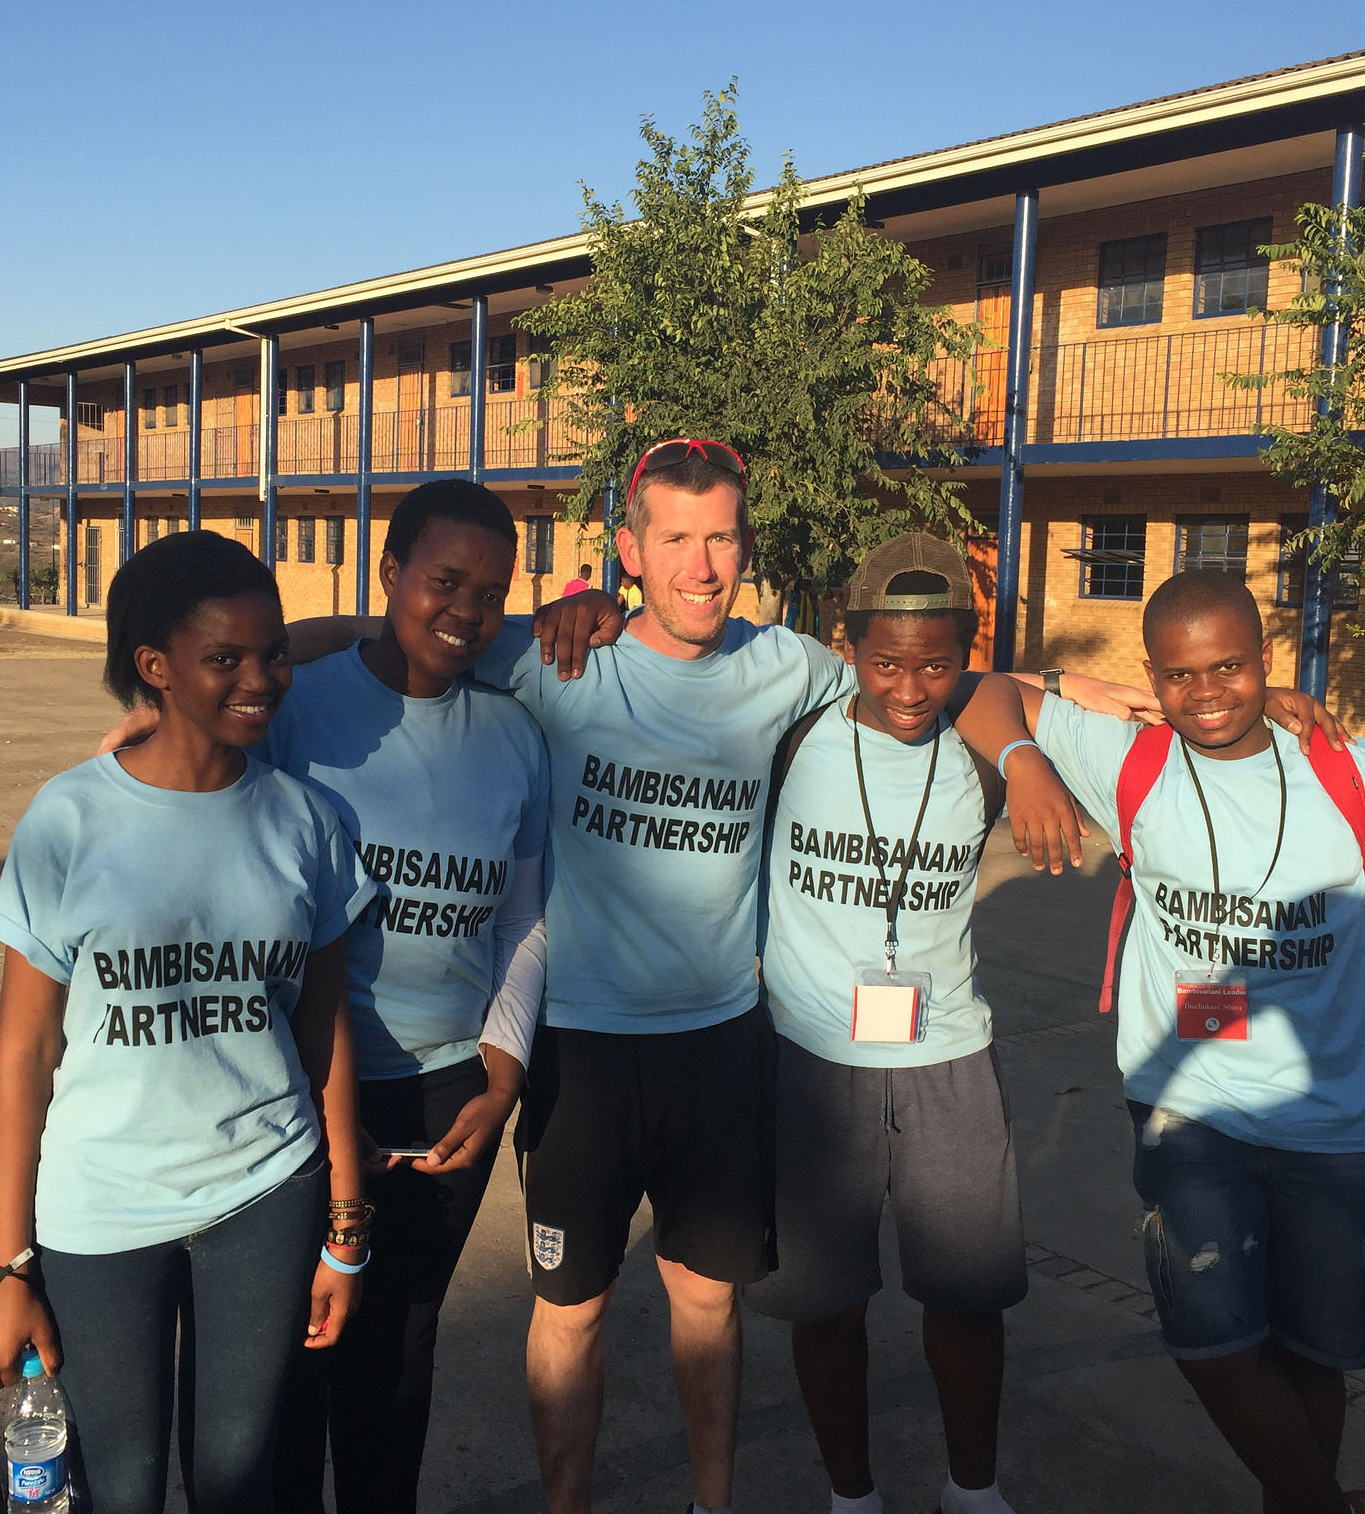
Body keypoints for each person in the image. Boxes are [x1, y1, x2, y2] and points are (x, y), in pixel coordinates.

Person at [288, 440, 1093, 1514]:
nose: (701, 566)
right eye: (674, 539)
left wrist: (1061, 733)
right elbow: (368, 638)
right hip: (578, 1047)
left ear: (745, 546)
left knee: (705, 1305)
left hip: (720, 1041)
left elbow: (969, 675)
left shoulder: (788, 668)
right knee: (568, 1311)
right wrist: (211, 682)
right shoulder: (551, 656)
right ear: (629, 551)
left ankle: (709, 1503)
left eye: (720, 538)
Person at [971, 570, 1365, 1514]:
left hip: (1342, 1123)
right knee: (1210, 1339)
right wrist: (1026, 756)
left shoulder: (1351, 770)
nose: (1206, 694)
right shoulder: (1127, 759)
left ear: (1266, 662)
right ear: (1151, 676)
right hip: (1191, 1109)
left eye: (1230, 668)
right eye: (1180, 675)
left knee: (1312, 1352)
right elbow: (977, 687)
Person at [0, 531, 374, 1514]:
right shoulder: (68, 820)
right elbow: (23, 1056)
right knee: (120, 1488)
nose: (263, 679)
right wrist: (4, 1267)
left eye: (273, 652)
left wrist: (346, 1228)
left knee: (241, 1482)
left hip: (264, 1192)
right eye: (225, 659)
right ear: (154, 667)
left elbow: (322, 1035)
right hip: (98, 1208)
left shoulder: (309, 822)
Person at [265, 480, 550, 1514]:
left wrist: (503, 1070)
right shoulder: (299, 708)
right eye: (442, 582)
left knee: (396, 1355)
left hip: (444, 1095)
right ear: (387, 574)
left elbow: (522, 921)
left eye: (489, 593)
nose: (465, 613)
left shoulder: (515, 737)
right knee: (289, 1356)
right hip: (297, 1092)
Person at [747, 532, 1034, 1514]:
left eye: (935, 663)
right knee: (823, 1303)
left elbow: (1099, 709)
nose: (909, 687)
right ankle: (851, 1496)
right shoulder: (792, 736)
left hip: (947, 1059)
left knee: (964, 1298)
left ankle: (971, 1489)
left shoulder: (986, 750)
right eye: (883, 662)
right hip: (811, 1063)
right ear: (844, 644)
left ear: (966, 652)